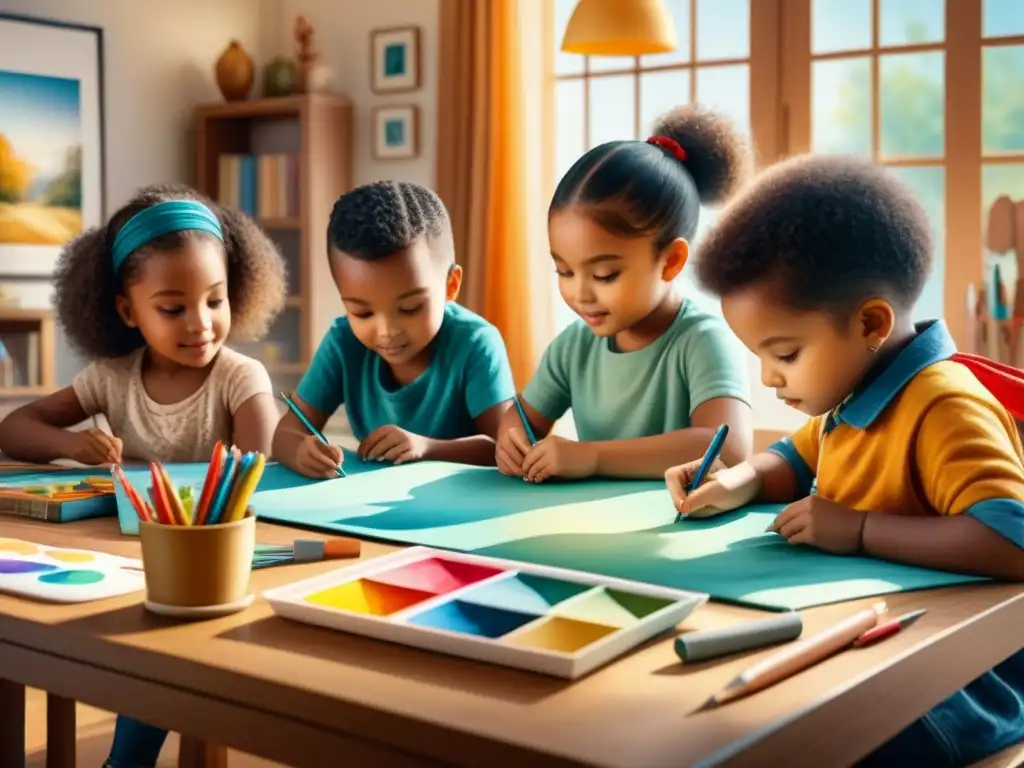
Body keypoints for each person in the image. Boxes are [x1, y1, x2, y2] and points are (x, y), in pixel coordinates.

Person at [665, 154, 1024, 767]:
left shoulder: (944, 406)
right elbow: (795, 456)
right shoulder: (853, 390)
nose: (769, 378)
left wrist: (858, 530)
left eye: (784, 353)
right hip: (868, 641)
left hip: (956, 682)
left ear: (870, 323)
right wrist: (742, 480)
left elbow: (1011, 540)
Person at [0, 184, 287, 767]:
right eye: (172, 307)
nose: (201, 324)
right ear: (128, 310)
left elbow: (260, 473)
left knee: (157, 645)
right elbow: (14, 427)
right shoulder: (112, 377)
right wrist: (74, 444)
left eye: (215, 299)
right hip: (124, 558)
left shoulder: (241, 377)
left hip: (208, 565)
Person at [494, 104, 754, 483]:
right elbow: (521, 415)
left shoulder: (702, 340)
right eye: (563, 270)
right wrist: (511, 440)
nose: (579, 293)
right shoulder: (574, 347)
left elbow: (727, 449)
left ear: (671, 261)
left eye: (604, 274)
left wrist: (594, 457)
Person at [272, 181, 516, 477]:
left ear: (451, 285)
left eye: (410, 308)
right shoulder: (342, 342)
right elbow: (286, 434)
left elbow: (505, 448)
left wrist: (426, 448)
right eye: (362, 312)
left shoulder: (476, 343)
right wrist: (301, 450)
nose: (387, 330)